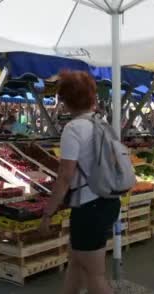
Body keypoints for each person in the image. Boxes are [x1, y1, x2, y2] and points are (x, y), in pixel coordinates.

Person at [40, 70, 119, 294]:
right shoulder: (102, 123)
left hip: (88, 206)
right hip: (108, 200)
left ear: (66, 100)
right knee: (76, 261)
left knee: (95, 276)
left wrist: (48, 213)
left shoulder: (73, 129)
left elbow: (65, 176)